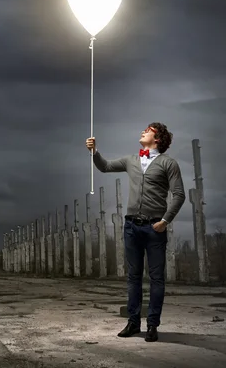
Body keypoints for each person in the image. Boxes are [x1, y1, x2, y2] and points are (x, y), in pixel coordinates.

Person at [85, 123, 185, 342]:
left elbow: (178, 195)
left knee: (157, 278)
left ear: (157, 138)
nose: (143, 132)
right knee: (133, 277)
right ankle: (133, 323)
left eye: (147, 130)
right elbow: (105, 167)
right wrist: (95, 152)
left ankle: (152, 325)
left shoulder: (169, 163)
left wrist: (165, 221)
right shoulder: (132, 160)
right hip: (131, 226)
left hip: (155, 227)